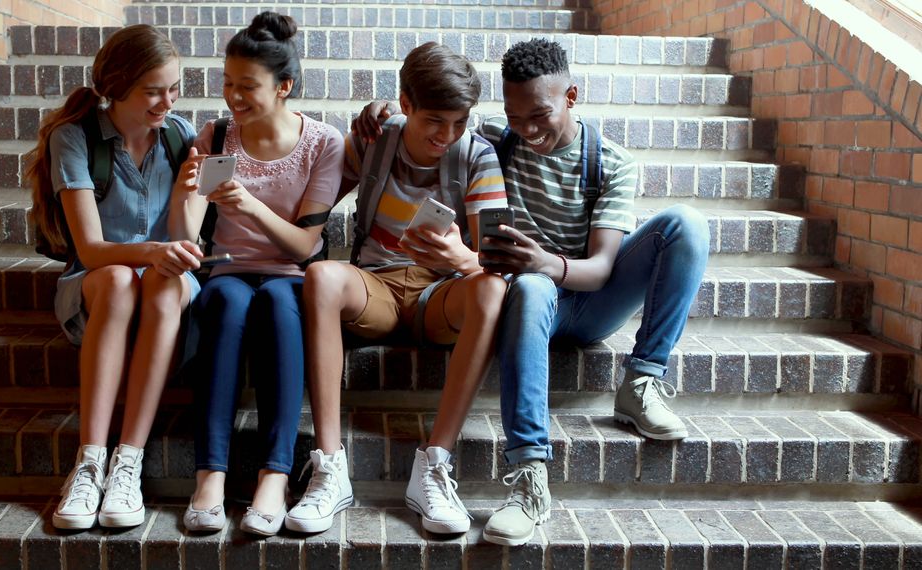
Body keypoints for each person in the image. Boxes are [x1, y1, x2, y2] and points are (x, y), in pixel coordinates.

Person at [354, 38, 710, 546]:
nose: (528, 129)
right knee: (534, 288)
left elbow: (604, 268)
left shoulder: (609, 162)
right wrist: (380, 110)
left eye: (539, 113)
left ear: (571, 96)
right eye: (514, 116)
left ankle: (642, 381)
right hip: (527, 301)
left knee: (686, 225)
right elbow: (428, 120)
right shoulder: (497, 145)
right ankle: (529, 479)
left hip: (588, 301)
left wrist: (544, 261)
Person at [285, 42, 510, 537]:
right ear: (404, 104)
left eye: (459, 121)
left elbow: (495, 259)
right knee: (321, 275)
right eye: (435, 120)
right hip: (377, 286)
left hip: (441, 294)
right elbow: (312, 201)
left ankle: (433, 465)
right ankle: (329, 468)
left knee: (491, 287)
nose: (447, 135)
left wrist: (465, 261)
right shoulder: (373, 140)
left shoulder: (477, 155)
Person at [27, 25, 204, 530]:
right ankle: (89, 462)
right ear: (115, 86)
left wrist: (183, 204)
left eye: (174, 88)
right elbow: (90, 250)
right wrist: (151, 251)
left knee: (162, 280)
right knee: (122, 280)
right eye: (153, 90)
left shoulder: (181, 135)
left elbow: (186, 235)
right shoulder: (74, 137)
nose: (166, 101)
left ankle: (128, 461)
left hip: (162, 290)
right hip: (98, 285)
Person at [179, 12, 344, 537]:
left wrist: (249, 206)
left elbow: (305, 246)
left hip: (290, 276)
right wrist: (188, 193)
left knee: (276, 302)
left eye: (248, 86)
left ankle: (274, 475)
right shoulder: (217, 134)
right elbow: (186, 235)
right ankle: (210, 474)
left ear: (285, 86)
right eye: (228, 83)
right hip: (227, 270)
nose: (234, 97)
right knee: (227, 301)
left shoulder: (322, 143)